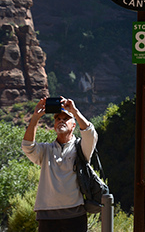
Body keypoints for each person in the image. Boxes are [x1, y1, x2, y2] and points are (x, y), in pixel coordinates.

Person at [22, 96, 98, 232]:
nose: (61, 120)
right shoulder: (45, 150)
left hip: (75, 215)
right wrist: (35, 117)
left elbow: (90, 134)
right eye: (57, 119)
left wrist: (74, 112)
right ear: (54, 125)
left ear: (73, 126)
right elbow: (28, 146)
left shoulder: (81, 148)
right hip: (47, 216)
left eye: (66, 119)